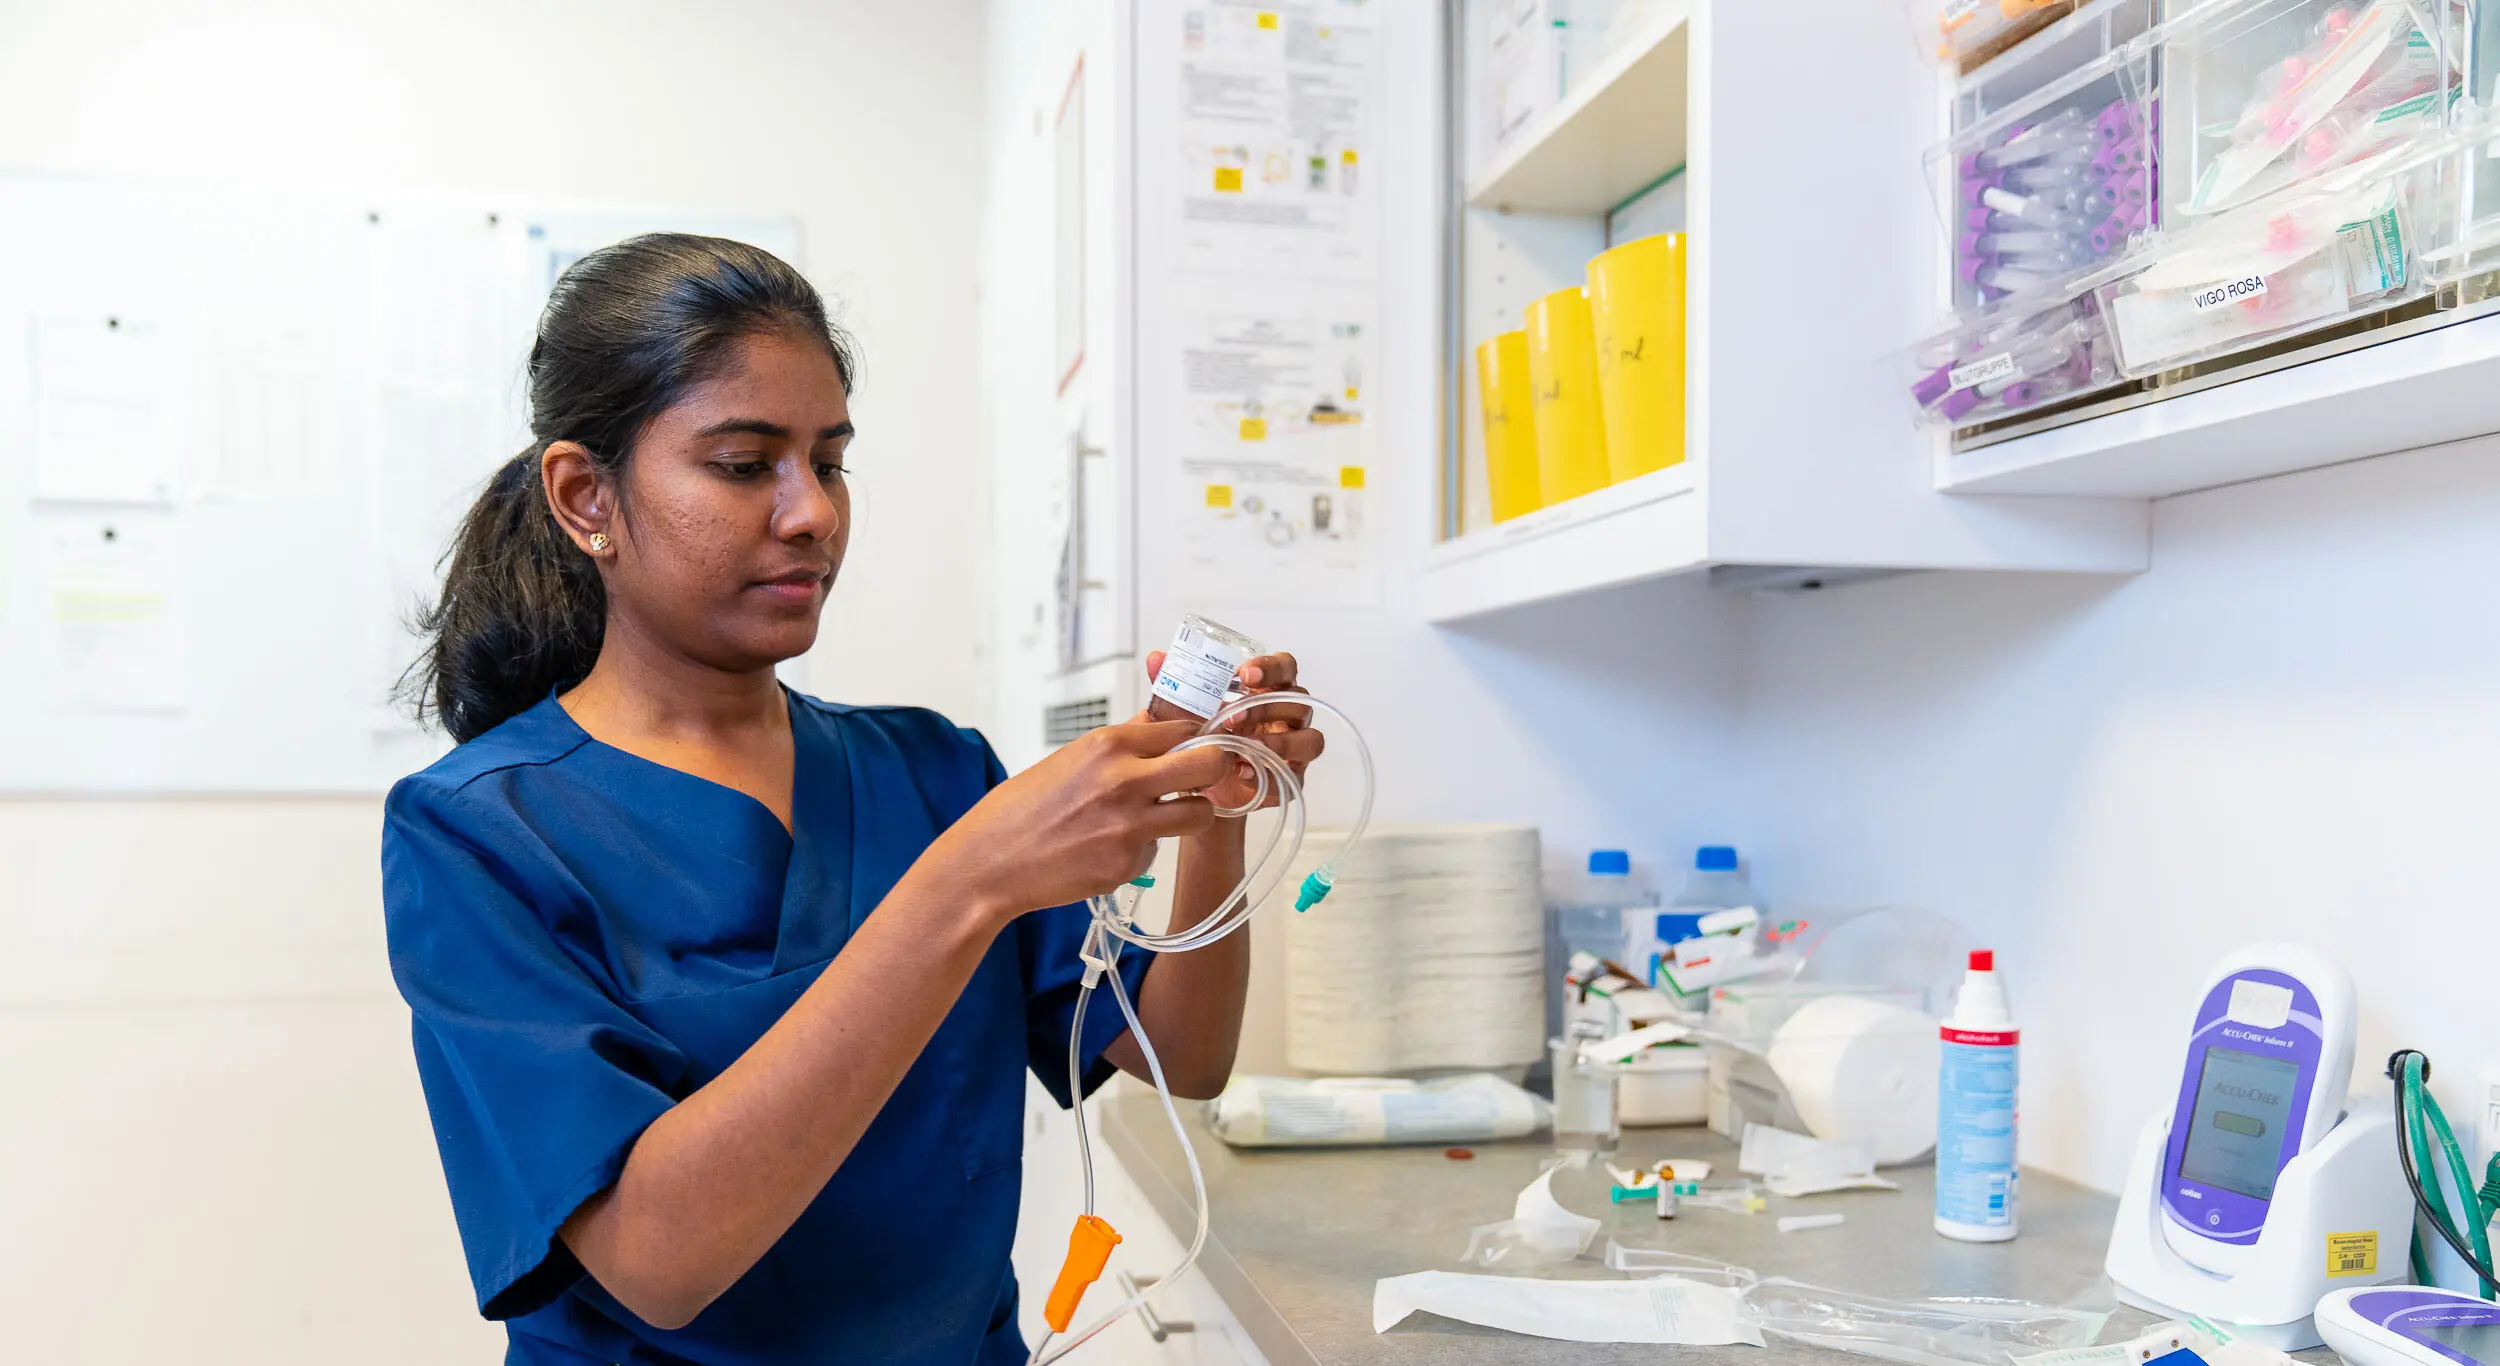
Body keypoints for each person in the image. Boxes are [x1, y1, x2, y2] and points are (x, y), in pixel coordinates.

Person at [383, 233, 1321, 1364]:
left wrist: (1216, 808)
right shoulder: (479, 831)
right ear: (588, 496)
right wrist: (968, 883)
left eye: (827, 462)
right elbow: (658, 1260)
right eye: (743, 464)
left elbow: (1181, 1053)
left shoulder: (927, 769)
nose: (811, 513)